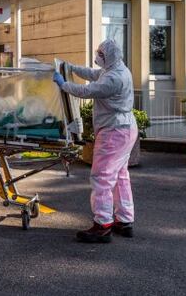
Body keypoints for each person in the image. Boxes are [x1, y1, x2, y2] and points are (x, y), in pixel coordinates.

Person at [53, 39, 137, 243]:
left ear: (109, 56)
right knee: (120, 176)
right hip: (123, 129)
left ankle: (102, 225)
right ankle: (124, 220)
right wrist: (71, 68)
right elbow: (92, 74)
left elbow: (88, 91)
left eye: (100, 53)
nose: (97, 55)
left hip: (114, 131)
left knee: (102, 178)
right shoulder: (115, 69)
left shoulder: (114, 78)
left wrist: (65, 85)